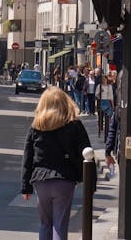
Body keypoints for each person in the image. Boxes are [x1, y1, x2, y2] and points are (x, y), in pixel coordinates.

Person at [21, 86, 92, 240]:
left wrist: (25, 186)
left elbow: (28, 156)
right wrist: (86, 179)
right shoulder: (74, 125)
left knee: (45, 223)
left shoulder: (36, 126)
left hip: (41, 180)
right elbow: (87, 153)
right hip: (64, 180)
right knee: (60, 225)